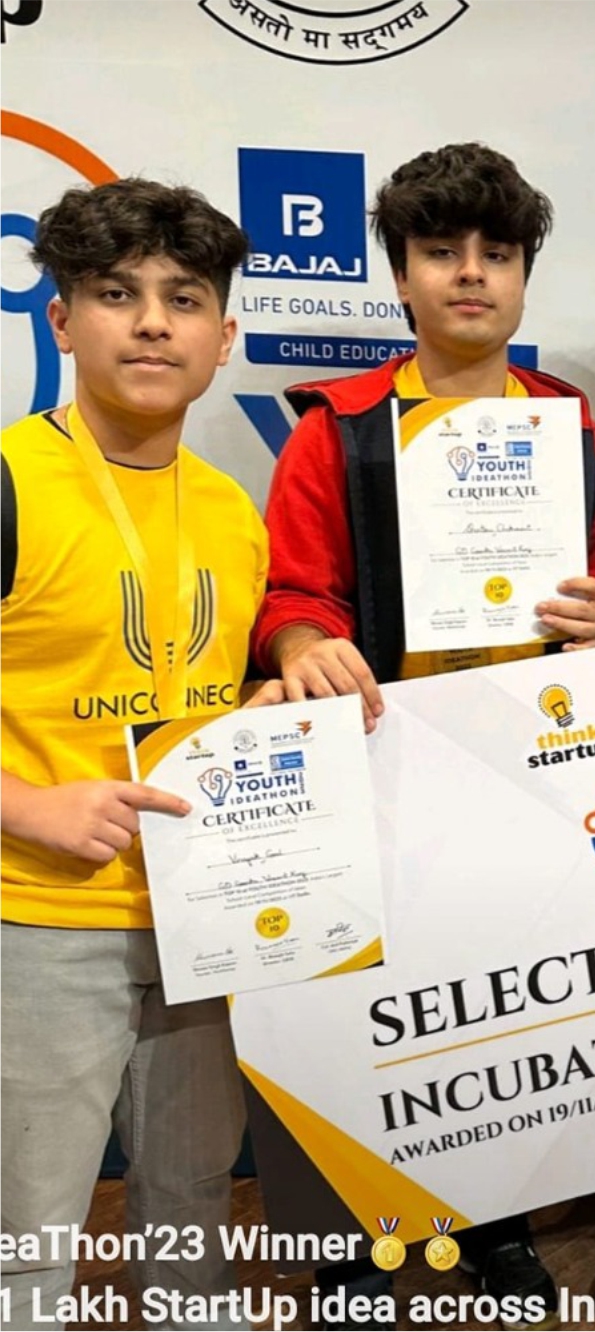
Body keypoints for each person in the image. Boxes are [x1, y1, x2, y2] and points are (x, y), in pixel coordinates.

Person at [252, 142, 595, 1331]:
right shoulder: (338, 431)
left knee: (506, 1013)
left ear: (523, 278)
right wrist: (301, 641)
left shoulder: (575, 435)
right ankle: (360, 1241)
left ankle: (496, 1225)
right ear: (401, 277)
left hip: (525, 776)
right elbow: (293, 591)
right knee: (354, 1020)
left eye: (497, 254)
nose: (471, 274)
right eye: (440, 252)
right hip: (375, 771)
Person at [0, 180, 269, 1328]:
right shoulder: (10, 480)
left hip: (204, 925)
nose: (154, 322)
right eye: (118, 294)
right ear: (62, 320)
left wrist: (275, 710)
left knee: (194, 1207)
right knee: (27, 1230)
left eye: (184, 298)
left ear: (224, 337)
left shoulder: (233, 510)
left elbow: (201, 693)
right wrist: (28, 807)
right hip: (39, 921)